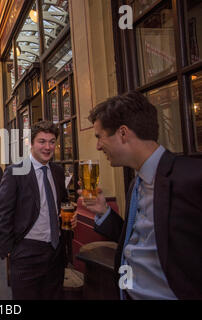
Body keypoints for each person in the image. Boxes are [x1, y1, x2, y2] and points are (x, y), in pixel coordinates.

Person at [79, 91, 202, 300]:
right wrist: (104, 211)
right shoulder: (136, 184)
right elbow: (134, 242)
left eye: (100, 137)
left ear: (123, 133)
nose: (98, 146)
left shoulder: (190, 179)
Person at [0, 121, 76, 300]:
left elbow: (62, 205)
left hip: (55, 252)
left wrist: (70, 218)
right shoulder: (15, 171)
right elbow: (3, 214)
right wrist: (10, 251)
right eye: (42, 141)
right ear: (30, 143)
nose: (48, 147)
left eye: (52, 142)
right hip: (26, 252)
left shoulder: (57, 171)